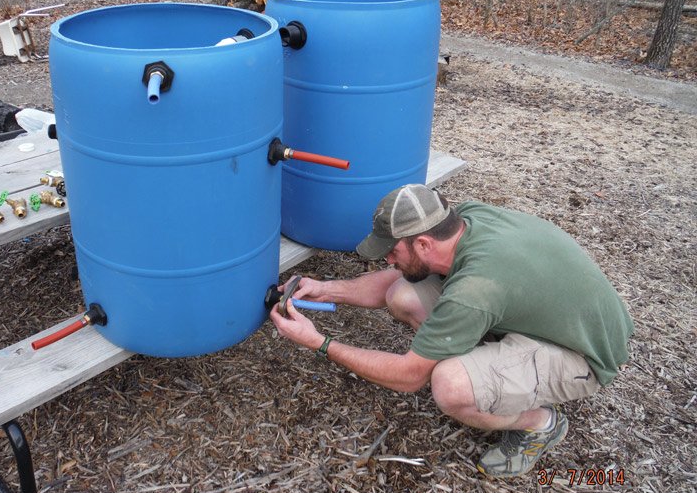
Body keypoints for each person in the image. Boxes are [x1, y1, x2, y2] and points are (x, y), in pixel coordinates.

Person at [269, 184, 634, 478]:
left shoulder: (473, 291)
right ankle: (491, 367)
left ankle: (540, 423)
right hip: (556, 316)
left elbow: (408, 377)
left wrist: (319, 342)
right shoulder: (464, 219)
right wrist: (326, 289)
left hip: (583, 354)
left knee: (449, 383)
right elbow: (393, 281)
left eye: (392, 251)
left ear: (424, 243)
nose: (388, 259)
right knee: (403, 293)